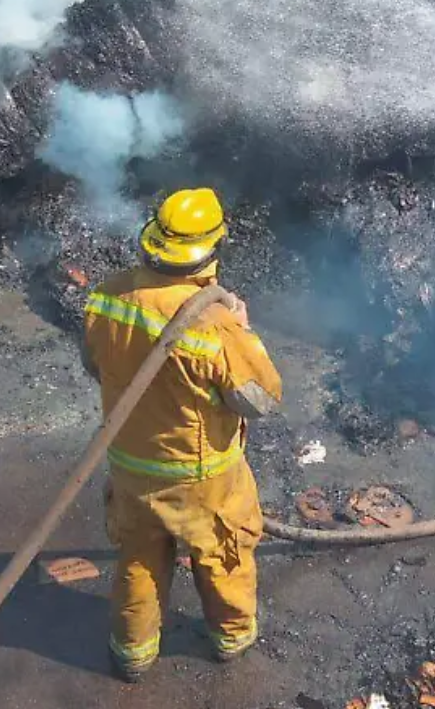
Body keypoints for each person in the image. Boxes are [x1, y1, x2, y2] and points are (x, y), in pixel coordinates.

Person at [81, 187, 284, 682]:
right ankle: (232, 639)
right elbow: (259, 401)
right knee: (222, 554)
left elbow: (97, 364)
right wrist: (244, 331)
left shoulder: (107, 295)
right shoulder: (215, 323)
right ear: (212, 250)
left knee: (139, 559)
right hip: (200, 477)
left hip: (130, 467)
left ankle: (132, 653)